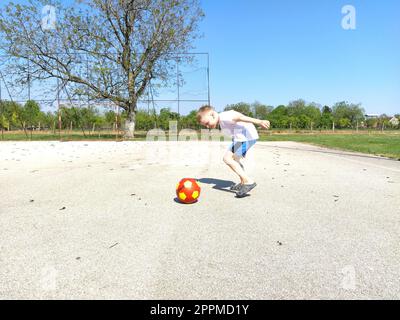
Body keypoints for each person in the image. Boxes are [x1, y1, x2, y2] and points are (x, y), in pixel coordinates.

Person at [197, 105, 270, 197]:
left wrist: (259, 121)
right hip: (242, 138)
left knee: (227, 158)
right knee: (234, 159)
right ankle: (244, 181)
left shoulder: (224, 117)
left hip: (245, 138)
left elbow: (240, 117)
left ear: (212, 114)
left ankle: (248, 181)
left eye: (207, 123)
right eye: (205, 125)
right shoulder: (222, 119)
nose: (208, 126)